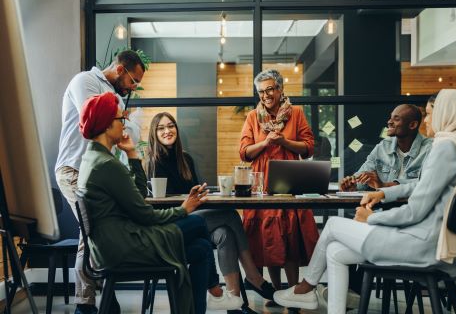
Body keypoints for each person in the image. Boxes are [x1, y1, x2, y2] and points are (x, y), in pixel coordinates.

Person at [273, 89, 456, 314]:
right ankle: (321, 302)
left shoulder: (444, 147)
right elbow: (420, 187)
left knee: (332, 225)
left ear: (447, 114)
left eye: (430, 114)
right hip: (431, 241)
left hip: (421, 244)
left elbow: (415, 211)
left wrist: (373, 218)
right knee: (334, 250)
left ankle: (304, 290)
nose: (427, 120)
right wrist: (383, 193)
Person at [77, 92, 242, 314]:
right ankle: (214, 292)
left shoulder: (93, 159)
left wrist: (133, 155)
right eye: (120, 119)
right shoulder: (107, 165)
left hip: (112, 245)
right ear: (107, 125)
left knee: (202, 248)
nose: (123, 123)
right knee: (196, 224)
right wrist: (183, 210)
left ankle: (207, 299)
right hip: (123, 247)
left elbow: (137, 194)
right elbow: (144, 213)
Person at [145, 112, 276, 306]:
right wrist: (189, 202)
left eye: (171, 126)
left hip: (193, 217)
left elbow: (194, 195)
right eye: (161, 128)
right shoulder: (152, 162)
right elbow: (163, 205)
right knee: (231, 215)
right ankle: (253, 275)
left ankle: (234, 301)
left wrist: (201, 191)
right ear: (154, 134)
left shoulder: (185, 159)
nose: (167, 131)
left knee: (225, 234)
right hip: (175, 223)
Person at [54, 50, 145, 314]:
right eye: (133, 80)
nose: (134, 87)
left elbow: (125, 132)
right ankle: (86, 303)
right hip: (74, 170)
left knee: (99, 229)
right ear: (120, 69)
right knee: (90, 230)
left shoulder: (112, 92)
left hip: (95, 173)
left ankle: (104, 298)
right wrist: (122, 115)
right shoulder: (85, 81)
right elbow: (98, 120)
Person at [239, 69, 319, 296]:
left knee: (291, 234)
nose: (265, 95)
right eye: (261, 92)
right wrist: (265, 142)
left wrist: (284, 141)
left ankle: (293, 292)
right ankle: (275, 292)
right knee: (268, 237)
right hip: (261, 184)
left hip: (290, 181)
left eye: (270, 89)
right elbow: (244, 152)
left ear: (280, 89)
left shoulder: (296, 113)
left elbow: (308, 147)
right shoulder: (253, 117)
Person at [340, 104, 432, 191]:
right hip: (383, 207)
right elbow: (364, 173)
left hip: (414, 207)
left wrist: (384, 186)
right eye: (390, 118)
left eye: (396, 119)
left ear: (412, 125)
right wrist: (353, 184)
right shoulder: (383, 146)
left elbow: (427, 183)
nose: (389, 122)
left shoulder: (430, 148)